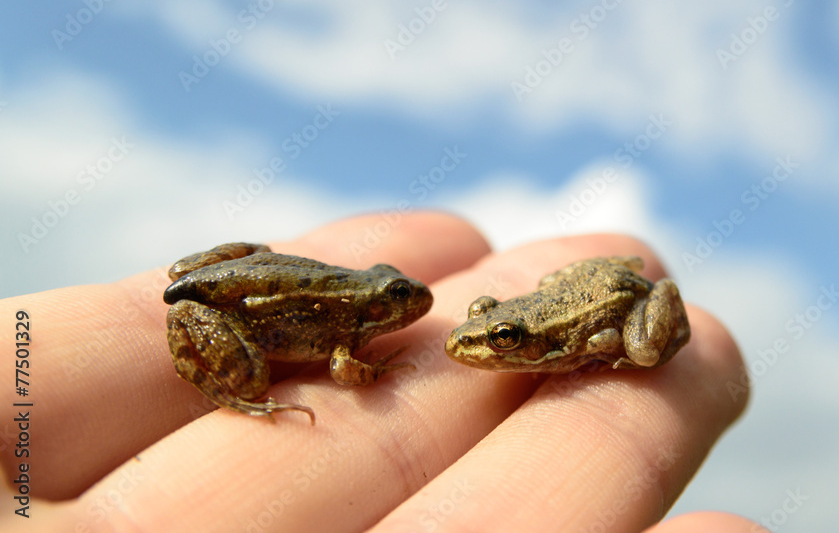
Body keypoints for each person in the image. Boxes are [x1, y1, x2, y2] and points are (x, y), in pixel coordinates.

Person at [0, 212, 759, 532]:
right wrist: (365, 372)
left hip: (212, 275)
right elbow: (344, 367)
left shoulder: (363, 308)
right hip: (224, 307)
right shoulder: (347, 332)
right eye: (395, 303)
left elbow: (619, 329)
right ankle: (235, 393)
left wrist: (610, 346)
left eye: (499, 338)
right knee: (250, 375)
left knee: (646, 346)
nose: (420, 312)